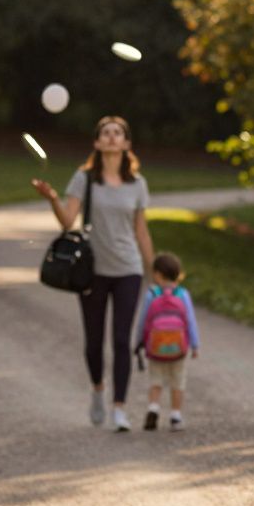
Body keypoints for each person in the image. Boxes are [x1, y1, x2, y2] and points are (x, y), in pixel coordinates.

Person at [31, 116, 154, 433]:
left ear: (127, 143)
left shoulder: (137, 184)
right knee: (94, 342)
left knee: (121, 341)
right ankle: (98, 389)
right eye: (106, 133)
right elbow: (67, 221)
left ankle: (120, 409)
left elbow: (141, 230)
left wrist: (151, 271)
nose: (112, 138)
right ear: (97, 143)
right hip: (93, 271)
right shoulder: (84, 179)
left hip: (128, 269)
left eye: (118, 134)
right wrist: (53, 200)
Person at [134, 252, 200, 431]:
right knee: (178, 382)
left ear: (157, 274)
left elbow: (143, 320)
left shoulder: (152, 294)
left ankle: (153, 407)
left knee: (156, 380)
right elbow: (190, 321)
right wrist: (195, 345)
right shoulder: (183, 294)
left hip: (156, 348)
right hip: (179, 349)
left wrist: (139, 341)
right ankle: (176, 415)